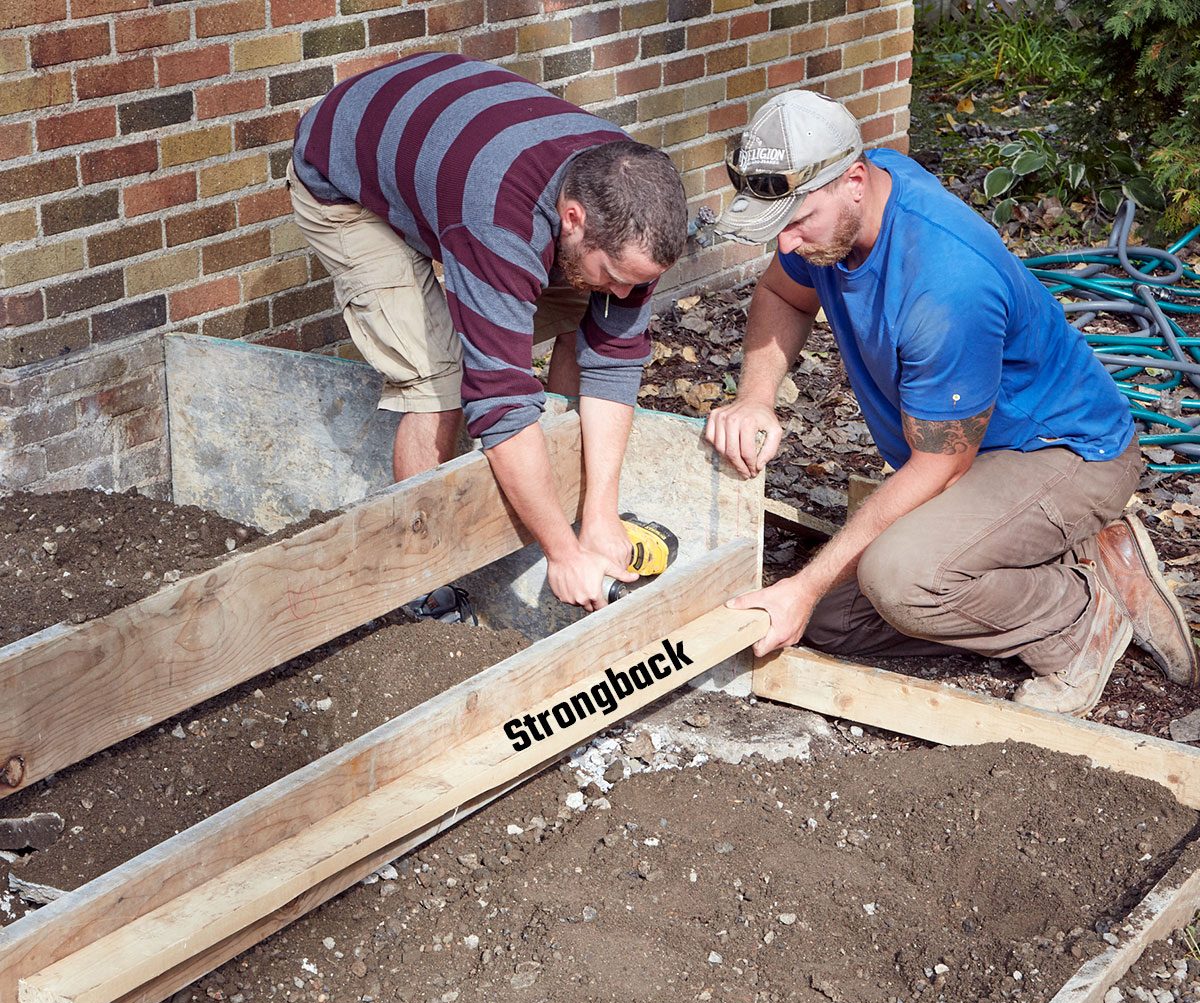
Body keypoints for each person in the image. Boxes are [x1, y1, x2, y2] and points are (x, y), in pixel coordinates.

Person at [705, 90, 1198, 715]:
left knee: (902, 582)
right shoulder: (856, 195)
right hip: (970, 451)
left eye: (797, 223)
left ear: (854, 181)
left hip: (1061, 452)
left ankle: (1079, 615)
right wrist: (754, 399)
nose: (787, 246)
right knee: (830, 622)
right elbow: (783, 293)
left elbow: (939, 464)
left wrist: (800, 586)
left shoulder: (946, 286)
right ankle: (1057, 553)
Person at [289, 52, 689, 611]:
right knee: (440, 378)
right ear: (572, 218)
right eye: (617, 278)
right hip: (342, 175)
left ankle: (572, 509)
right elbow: (498, 401)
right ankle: (419, 583)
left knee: (587, 314)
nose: (625, 295)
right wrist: (562, 554)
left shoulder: (629, 206)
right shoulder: (499, 220)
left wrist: (600, 515)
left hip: (446, 151)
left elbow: (615, 360)